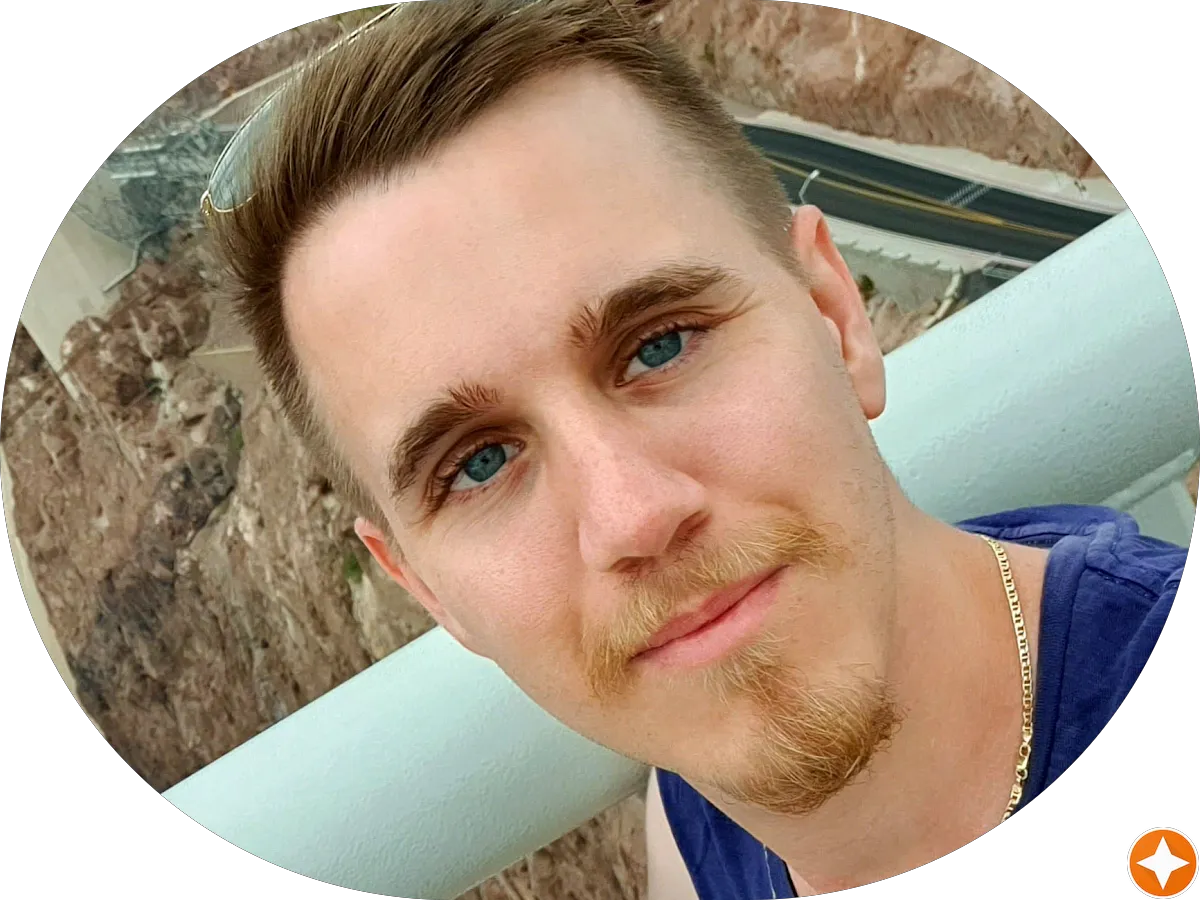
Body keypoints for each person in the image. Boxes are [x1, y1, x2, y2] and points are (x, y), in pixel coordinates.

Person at [201, 2, 1189, 896]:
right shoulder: (697, 816)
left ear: (836, 317)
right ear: (427, 590)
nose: (633, 515)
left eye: (660, 346)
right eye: (478, 465)